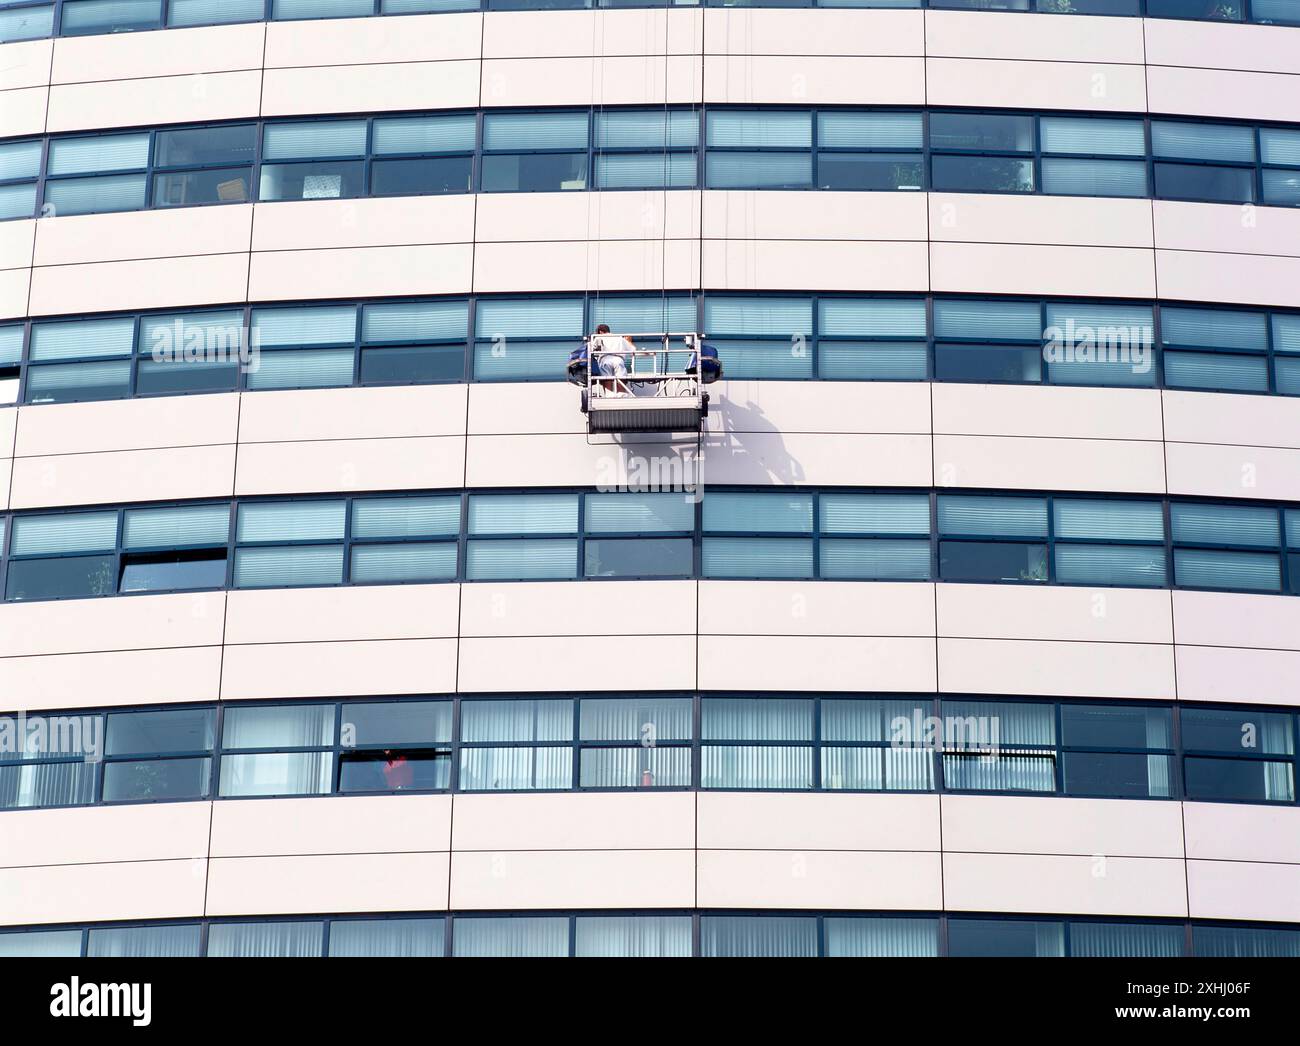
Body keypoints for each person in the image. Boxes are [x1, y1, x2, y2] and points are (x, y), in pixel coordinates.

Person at [590, 323, 636, 396]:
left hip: (605, 360)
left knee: (607, 379)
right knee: (620, 380)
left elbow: (591, 350)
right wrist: (629, 341)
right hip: (618, 360)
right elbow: (633, 350)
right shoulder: (620, 338)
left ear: (600, 332)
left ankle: (609, 395)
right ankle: (621, 395)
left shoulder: (598, 338)